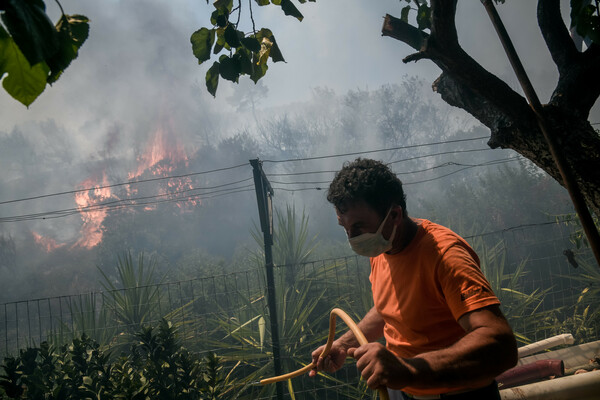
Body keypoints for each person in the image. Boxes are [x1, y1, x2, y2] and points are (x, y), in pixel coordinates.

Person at [309, 158, 518, 400]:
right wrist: (344, 345)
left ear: (395, 214)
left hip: (455, 392)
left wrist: (408, 370)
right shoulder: (382, 247)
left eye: (358, 226)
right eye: (344, 227)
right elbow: (389, 307)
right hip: (402, 388)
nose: (352, 237)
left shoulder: (445, 256)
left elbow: (501, 345)